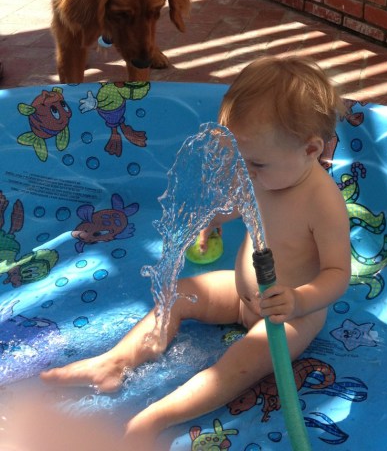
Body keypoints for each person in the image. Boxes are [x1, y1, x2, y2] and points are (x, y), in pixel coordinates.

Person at [41, 55, 352, 446]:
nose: (247, 172)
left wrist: (297, 299)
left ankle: (156, 417)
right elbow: (246, 201)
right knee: (177, 295)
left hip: (290, 318)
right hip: (240, 295)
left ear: (311, 149)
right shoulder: (270, 171)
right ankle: (114, 362)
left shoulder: (322, 202)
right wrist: (214, 220)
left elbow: (339, 274)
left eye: (255, 164)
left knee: (236, 366)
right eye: (243, 161)